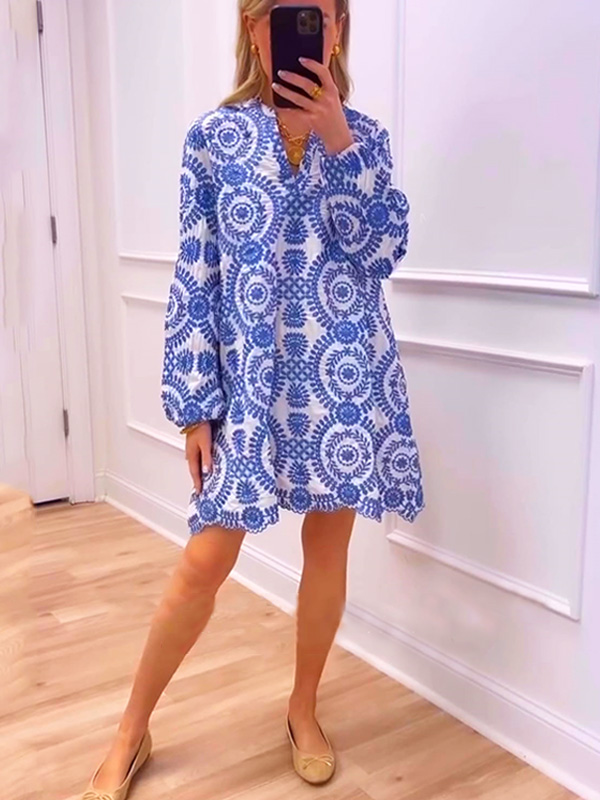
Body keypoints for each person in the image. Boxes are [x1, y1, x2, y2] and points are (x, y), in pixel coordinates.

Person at [80, 0, 425, 797]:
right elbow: (195, 275)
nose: (301, 31)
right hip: (253, 383)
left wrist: (338, 139)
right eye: (281, 14)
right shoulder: (213, 139)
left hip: (342, 378)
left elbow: (381, 251)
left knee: (328, 550)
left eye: (318, 15)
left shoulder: (364, 138)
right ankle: (131, 729)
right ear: (252, 27)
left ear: (337, 28)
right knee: (206, 558)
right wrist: (195, 405)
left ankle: (303, 708)